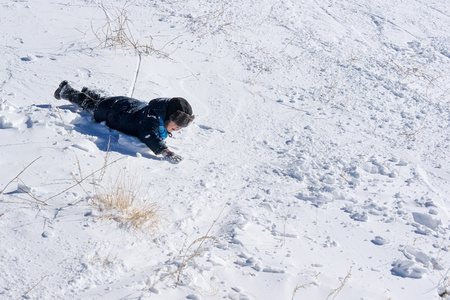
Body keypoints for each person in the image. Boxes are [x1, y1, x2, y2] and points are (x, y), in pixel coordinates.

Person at [54, 80, 194, 164]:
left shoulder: (156, 112)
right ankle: (66, 91)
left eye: (181, 126)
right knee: (90, 105)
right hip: (112, 113)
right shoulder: (150, 120)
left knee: (102, 100)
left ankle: (89, 92)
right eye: (176, 123)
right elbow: (148, 135)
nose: (177, 127)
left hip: (123, 104)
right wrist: (165, 151)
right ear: (167, 117)